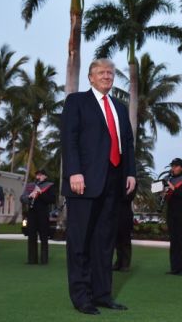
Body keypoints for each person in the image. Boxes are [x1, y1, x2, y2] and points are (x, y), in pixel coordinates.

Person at [61, 58, 136, 315]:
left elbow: (127, 143)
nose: (107, 76)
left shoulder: (120, 107)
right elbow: (69, 139)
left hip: (114, 183)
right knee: (80, 242)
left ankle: (103, 294)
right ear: (91, 78)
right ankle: (82, 297)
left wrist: (131, 174)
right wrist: (74, 172)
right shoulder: (76, 102)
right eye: (101, 72)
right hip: (83, 182)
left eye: (111, 72)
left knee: (105, 242)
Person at [20, 169, 56, 265]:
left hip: (43, 214)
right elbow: (22, 198)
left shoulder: (49, 186)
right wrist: (29, 197)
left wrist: (41, 193)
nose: (38, 176)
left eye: (40, 175)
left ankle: (44, 260)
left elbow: (52, 200)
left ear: (45, 176)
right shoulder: (30, 186)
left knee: (44, 236)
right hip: (31, 213)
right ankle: (32, 259)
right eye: (37, 175)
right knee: (31, 235)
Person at [113, 181, 137, 272]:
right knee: (117, 240)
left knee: (125, 240)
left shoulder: (131, 182)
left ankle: (125, 264)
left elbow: (129, 197)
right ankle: (118, 262)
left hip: (125, 214)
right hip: (115, 214)